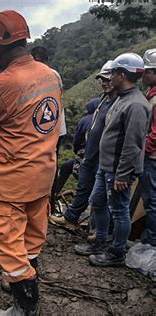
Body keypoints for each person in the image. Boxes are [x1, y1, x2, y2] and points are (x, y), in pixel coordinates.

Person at [0, 10, 62, 315]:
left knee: (6, 242)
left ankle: (24, 307)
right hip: (42, 175)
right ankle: (24, 282)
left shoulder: (3, 84)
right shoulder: (50, 75)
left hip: (10, 182)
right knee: (31, 239)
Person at [77, 53, 151, 267]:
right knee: (98, 202)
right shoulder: (121, 98)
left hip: (118, 170)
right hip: (106, 166)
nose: (109, 79)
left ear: (121, 75)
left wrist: (123, 174)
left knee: (119, 211)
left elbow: (133, 144)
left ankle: (117, 252)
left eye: (112, 75)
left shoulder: (136, 105)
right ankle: (100, 241)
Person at [51, 61, 118, 233]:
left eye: (107, 79)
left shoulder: (119, 103)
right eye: (101, 79)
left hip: (103, 158)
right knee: (89, 191)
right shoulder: (104, 100)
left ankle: (100, 233)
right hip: (90, 156)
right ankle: (76, 219)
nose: (103, 82)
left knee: (102, 197)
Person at [31, 46, 68, 214]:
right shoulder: (54, 74)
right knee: (50, 165)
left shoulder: (46, 75)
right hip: (55, 128)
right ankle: (48, 205)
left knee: (44, 167)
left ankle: (44, 205)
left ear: (37, 58)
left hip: (47, 129)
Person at [52, 98, 99, 199]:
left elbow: (76, 142)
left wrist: (78, 152)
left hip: (85, 157)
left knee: (66, 167)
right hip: (100, 159)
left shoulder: (84, 120)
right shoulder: (106, 117)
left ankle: (55, 193)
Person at [141, 48, 156, 246]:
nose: (143, 75)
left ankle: (152, 243)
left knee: (152, 201)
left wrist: (142, 148)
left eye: (146, 71)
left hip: (152, 157)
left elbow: (154, 132)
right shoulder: (150, 94)